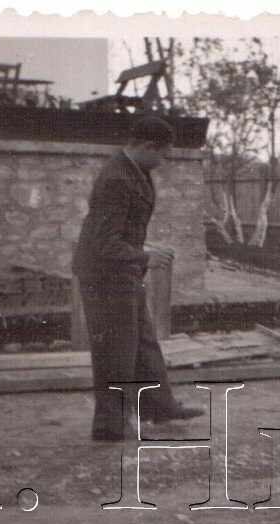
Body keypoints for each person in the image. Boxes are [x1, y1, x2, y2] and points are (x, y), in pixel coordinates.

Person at [72, 117, 203, 441]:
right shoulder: (117, 178)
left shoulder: (133, 171)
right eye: (163, 154)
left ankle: (159, 406)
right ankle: (109, 427)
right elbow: (103, 242)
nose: (164, 161)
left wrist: (143, 249)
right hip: (104, 276)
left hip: (121, 271)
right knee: (115, 352)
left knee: (143, 343)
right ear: (146, 146)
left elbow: (118, 232)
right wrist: (145, 256)